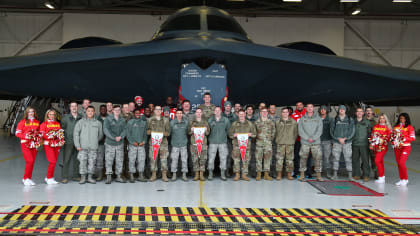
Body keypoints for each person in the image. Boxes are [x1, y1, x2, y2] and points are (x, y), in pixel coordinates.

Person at [74, 106, 103, 184]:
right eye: (88, 111)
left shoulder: (98, 123)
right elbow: (76, 134)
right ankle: (83, 178)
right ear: (86, 112)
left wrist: (94, 141)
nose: (90, 112)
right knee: (82, 162)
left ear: (94, 112)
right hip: (82, 147)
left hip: (93, 147)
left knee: (92, 163)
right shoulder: (80, 122)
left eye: (92, 111)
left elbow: (100, 135)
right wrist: (78, 145)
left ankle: (90, 177)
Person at [228, 109, 256, 181]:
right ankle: (237, 174)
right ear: (238, 115)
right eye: (240, 114)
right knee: (236, 160)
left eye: (243, 114)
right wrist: (234, 135)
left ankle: (244, 174)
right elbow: (230, 134)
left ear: (245, 114)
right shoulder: (234, 124)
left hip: (246, 145)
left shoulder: (250, 124)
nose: (241, 115)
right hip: (236, 145)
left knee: (246, 160)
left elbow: (254, 134)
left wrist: (251, 134)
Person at [298, 103, 323, 182]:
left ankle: (318, 176)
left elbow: (320, 130)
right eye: (308, 107)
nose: (309, 108)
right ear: (306, 108)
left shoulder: (318, 118)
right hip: (305, 142)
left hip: (316, 142)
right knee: (303, 158)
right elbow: (300, 130)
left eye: (311, 107)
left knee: (318, 158)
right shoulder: (302, 118)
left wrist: (314, 138)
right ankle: (302, 175)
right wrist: (307, 138)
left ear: (313, 108)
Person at [16, 107, 40, 186]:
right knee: (29, 161)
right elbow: (17, 133)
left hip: (34, 144)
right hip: (25, 143)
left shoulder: (37, 122)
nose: (31, 113)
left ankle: (28, 178)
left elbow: (39, 133)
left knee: (32, 162)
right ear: (26, 113)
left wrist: (38, 140)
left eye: (32, 112)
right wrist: (25, 136)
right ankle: (25, 178)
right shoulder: (22, 122)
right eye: (29, 112)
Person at [330, 105, 355, 180]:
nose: (341, 110)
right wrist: (337, 139)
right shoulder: (335, 120)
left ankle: (350, 175)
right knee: (335, 158)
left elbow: (352, 131)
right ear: (338, 110)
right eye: (340, 109)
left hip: (347, 143)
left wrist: (346, 139)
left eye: (343, 109)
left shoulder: (350, 120)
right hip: (336, 142)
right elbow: (331, 131)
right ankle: (335, 174)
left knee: (348, 158)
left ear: (345, 110)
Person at [103, 105, 127, 184]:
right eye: (115, 110)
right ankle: (109, 176)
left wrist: (121, 136)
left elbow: (125, 129)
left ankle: (118, 176)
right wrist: (114, 138)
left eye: (118, 110)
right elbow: (106, 130)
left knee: (119, 160)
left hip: (119, 143)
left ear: (120, 111)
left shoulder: (122, 120)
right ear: (112, 110)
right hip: (110, 143)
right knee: (109, 160)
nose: (117, 111)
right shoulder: (108, 119)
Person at [147, 105, 171, 182]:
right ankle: (153, 174)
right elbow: (147, 131)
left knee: (164, 159)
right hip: (153, 143)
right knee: (153, 158)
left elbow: (168, 132)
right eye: (156, 109)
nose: (158, 111)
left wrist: (163, 134)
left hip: (163, 143)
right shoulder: (150, 120)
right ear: (154, 111)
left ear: (161, 111)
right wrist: (149, 132)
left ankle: (164, 175)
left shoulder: (165, 120)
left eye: (159, 109)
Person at [392, 113, 415, 186]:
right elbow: (393, 136)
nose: (402, 119)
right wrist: (393, 142)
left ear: (407, 119)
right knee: (399, 163)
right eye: (401, 118)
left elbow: (413, 138)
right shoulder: (396, 127)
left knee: (402, 162)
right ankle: (401, 179)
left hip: (406, 147)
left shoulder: (410, 127)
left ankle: (406, 179)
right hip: (397, 147)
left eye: (404, 118)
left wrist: (405, 138)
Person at [61, 102, 82, 183]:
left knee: (77, 159)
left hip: (78, 143)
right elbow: (62, 130)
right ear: (70, 108)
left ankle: (75, 176)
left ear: (77, 107)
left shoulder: (81, 117)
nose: (74, 108)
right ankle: (64, 177)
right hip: (68, 142)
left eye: (75, 106)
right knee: (66, 159)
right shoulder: (65, 118)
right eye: (72, 106)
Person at [207, 106, 231, 181]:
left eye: (218, 110)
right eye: (216, 110)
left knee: (223, 158)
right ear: (214, 112)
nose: (217, 112)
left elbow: (228, 131)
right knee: (211, 159)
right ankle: (210, 173)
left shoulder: (225, 120)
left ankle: (222, 174)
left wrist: (224, 138)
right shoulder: (210, 120)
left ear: (221, 111)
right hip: (212, 142)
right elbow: (207, 131)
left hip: (222, 142)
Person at [275, 107, 298, 180]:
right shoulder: (277, 122)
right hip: (280, 143)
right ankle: (279, 175)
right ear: (281, 113)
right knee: (279, 160)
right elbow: (275, 132)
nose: (285, 113)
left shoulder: (293, 122)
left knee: (290, 160)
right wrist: (277, 140)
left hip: (290, 143)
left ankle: (289, 174)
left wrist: (292, 140)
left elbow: (295, 133)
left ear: (288, 113)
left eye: (286, 112)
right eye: (283, 112)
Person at [126, 109, 148, 183]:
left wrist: (144, 141)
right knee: (132, 160)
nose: (138, 114)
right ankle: (131, 175)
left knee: (141, 160)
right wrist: (132, 142)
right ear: (134, 114)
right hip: (133, 145)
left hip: (141, 145)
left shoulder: (144, 123)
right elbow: (128, 133)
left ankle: (140, 175)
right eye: (136, 113)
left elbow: (145, 134)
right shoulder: (130, 122)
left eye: (139, 113)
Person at [40, 109, 61, 185]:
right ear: (47, 115)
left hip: (56, 145)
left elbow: (59, 133)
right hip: (48, 144)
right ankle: (49, 178)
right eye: (50, 114)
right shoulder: (44, 124)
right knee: (52, 161)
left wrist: (60, 138)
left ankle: (49, 177)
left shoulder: (57, 124)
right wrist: (50, 136)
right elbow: (42, 135)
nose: (52, 116)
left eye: (53, 114)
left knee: (54, 162)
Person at [188, 108, 210, 181]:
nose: (198, 113)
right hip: (194, 143)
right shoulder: (192, 122)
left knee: (203, 159)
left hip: (203, 143)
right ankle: (196, 174)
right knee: (195, 159)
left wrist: (206, 130)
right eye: (197, 112)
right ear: (195, 113)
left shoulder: (205, 122)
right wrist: (191, 130)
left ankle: (201, 174)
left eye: (200, 112)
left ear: (202, 113)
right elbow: (188, 132)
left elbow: (208, 133)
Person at [254, 107, 276, 181]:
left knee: (268, 159)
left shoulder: (271, 122)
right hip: (259, 143)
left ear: (267, 113)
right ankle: (259, 174)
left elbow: (274, 132)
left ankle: (266, 174)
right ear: (260, 113)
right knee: (258, 158)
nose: (264, 113)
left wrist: (269, 139)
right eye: (262, 111)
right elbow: (254, 132)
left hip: (268, 143)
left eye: (265, 111)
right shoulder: (256, 122)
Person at [370, 114, 392, 184]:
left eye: (383, 118)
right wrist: (371, 143)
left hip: (383, 147)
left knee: (377, 160)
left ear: (385, 119)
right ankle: (382, 177)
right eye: (380, 118)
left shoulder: (388, 127)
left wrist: (383, 140)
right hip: (376, 147)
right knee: (380, 162)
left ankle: (381, 176)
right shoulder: (375, 126)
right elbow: (372, 135)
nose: (381, 120)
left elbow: (389, 137)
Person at [352, 107, 372, 182]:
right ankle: (357, 174)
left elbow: (370, 133)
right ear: (356, 113)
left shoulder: (367, 122)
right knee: (355, 160)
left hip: (364, 144)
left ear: (363, 113)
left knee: (365, 160)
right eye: (358, 111)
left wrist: (370, 143)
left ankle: (366, 175)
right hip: (355, 144)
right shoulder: (352, 122)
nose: (359, 113)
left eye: (361, 111)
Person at [170, 109, 189, 181]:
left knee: (184, 160)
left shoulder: (186, 122)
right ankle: (174, 174)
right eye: (178, 113)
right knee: (174, 160)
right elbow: (170, 132)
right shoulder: (172, 122)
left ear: (182, 114)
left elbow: (188, 132)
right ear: (176, 114)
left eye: (181, 113)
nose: (179, 114)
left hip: (183, 143)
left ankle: (184, 174)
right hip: (175, 144)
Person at [291, 102, 308, 178]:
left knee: (306, 156)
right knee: (296, 156)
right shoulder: (293, 115)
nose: (299, 106)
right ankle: (296, 171)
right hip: (297, 139)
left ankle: (307, 172)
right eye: (297, 105)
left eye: (300, 105)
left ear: (303, 106)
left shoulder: (308, 114)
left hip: (306, 139)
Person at [319, 105, 334, 178]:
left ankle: (328, 172)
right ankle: (319, 172)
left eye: (324, 109)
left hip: (327, 141)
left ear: (326, 111)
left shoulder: (330, 119)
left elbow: (332, 130)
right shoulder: (317, 119)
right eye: (321, 109)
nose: (322, 110)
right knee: (318, 158)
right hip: (318, 141)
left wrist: (332, 141)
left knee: (327, 158)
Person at [365, 106, 378, 179]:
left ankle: (376, 173)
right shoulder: (363, 121)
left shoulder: (375, 122)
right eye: (367, 111)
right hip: (364, 142)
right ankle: (366, 174)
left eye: (370, 111)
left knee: (374, 158)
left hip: (372, 143)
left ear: (372, 112)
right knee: (365, 159)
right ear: (365, 112)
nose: (368, 112)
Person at [95, 105, 107, 181]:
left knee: (109, 159)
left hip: (109, 142)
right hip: (100, 142)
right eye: (101, 109)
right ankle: (100, 175)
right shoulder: (96, 119)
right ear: (99, 110)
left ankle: (108, 175)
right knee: (100, 159)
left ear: (106, 110)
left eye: (104, 109)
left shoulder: (110, 118)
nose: (103, 110)